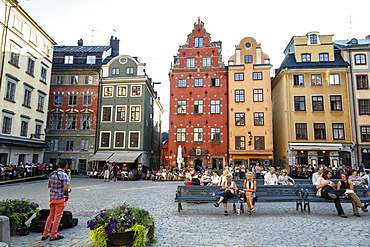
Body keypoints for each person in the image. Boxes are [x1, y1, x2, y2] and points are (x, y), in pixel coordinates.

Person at [42, 161, 69, 241]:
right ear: (66, 166)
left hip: (52, 197)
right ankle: (53, 234)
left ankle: (45, 234)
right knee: (58, 217)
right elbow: (65, 188)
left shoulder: (52, 173)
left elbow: (49, 185)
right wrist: (67, 195)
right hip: (60, 197)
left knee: (50, 216)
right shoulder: (64, 175)